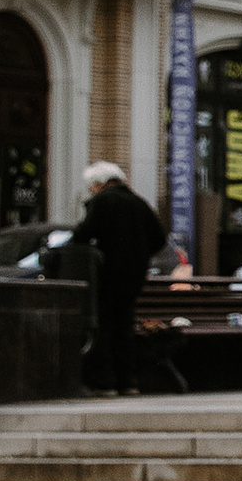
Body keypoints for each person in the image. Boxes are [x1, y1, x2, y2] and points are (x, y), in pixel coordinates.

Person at [77, 162, 165, 393]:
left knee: (104, 326)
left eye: (92, 187)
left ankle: (105, 382)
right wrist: (140, 256)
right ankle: (128, 381)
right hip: (133, 277)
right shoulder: (139, 203)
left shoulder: (103, 201)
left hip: (106, 275)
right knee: (125, 327)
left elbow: (83, 234)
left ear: (98, 184)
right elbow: (159, 238)